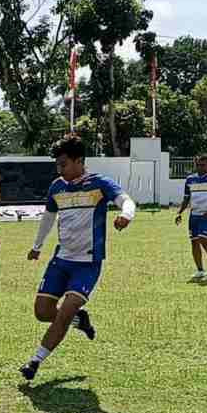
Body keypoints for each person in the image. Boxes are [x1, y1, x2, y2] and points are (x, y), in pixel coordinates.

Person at [20, 136, 136, 381]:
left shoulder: (99, 184)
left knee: (63, 314)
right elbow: (48, 218)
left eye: (63, 164)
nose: (59, 169)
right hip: (61, 260)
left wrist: (126, 215)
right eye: (58, 165)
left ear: (79, 161)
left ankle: (35, 361)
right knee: (42, 312)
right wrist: (37, 246)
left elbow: (126, 200)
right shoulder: (57, 187)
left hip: (87, 263)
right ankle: (78, 319)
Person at [175, 155, 207, 279]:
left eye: (202, 165)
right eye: (198, 165)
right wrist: (180, 212)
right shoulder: (190, 179)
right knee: (194, 241)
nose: (199, 167)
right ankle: (200, 270)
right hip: (194, 215)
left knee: (203, 238)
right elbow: (186, 198)